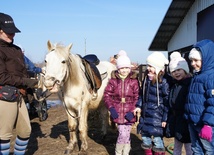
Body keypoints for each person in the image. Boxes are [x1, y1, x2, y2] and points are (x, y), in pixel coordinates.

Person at [0, 13, 38, 155]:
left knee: (25, 131)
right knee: (4, 135)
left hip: (20, 95)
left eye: (13, 31)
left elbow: (21, 73)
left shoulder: (16, 49)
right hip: (4, 96)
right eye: (8, 31)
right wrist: (29, 82)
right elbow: (2, 77)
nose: (12, 34)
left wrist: (36, 78)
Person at [134, 52, 169, 155]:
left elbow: (167, 103)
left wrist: (165, 118)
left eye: (151, 66)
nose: (148, 68)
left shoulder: (164, 83)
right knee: (145, 138)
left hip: (157, 117)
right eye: (148, 65)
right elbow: (142, 95)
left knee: (157, 140)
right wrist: (139, 106)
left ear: (158, 68)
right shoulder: (146, 80)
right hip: (145, 115)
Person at [104, 54, 140, 155]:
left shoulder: (134, 81)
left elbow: (137, 97)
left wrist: (133, 111)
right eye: (122, 68)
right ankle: (118, 152)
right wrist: (111, 108)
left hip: (129, 112)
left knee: (126, 135)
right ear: (118, 69)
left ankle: (125, 153)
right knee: (122, 134)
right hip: (118, 112)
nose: (124, 70)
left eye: (126, 68)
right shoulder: (113, 81)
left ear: (129, 68)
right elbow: (107, 96)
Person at [184, 39, 214, 154]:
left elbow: (212, 103)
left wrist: (208, 125)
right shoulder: (196, 76)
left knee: (209, 150)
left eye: (196, 60)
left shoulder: (211, 77)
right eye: (191, 60)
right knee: (196, 149)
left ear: (206, 59)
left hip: (205, 125)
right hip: (193, 122)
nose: (193, 64)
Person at [168, 51, 192, 155]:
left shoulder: (189, 84)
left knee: (189, 147)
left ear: (185, 69)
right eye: (173, 71)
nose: (176, 73)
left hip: (187, 121)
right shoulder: (174, 85)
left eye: (179, 70)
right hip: (177, 120)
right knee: (177, 146)